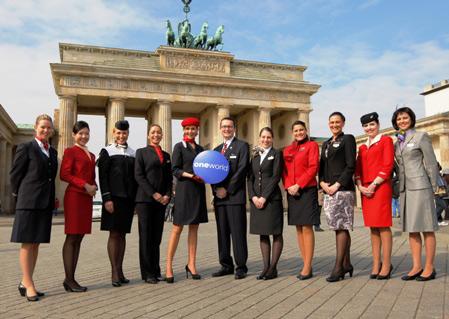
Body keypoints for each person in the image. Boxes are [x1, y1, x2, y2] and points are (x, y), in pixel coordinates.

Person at [10, 114, 58, 302]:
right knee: (27, 243)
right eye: (42, 127)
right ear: (35, 128)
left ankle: (26, 282)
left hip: (44, 203)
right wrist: (18, 196)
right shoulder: (26, 147)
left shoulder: (52, 152)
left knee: (36, 243)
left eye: (48, 128)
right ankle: (29, 284)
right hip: (28, 202)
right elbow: (15, 175)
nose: (46, 130)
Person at [393, 106, 439, 281]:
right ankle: (416, 266)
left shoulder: (421, 136)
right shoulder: (398, 142)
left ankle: (429, 267)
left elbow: (431, 163)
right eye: (399, 119)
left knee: (426, 228)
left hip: (421, 187)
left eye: (405, 118)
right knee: (412, 229)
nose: (402, 121)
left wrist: (434, 187)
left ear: (411, 118)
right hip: (406, 188)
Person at [164, 117, 208, 283]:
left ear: (197, 130)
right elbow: (174, 169)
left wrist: (206, 177)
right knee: (177, 228)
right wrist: (192, 176)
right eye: (188, 129)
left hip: (197, 190)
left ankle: (191, 264)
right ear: (184, 130)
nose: (190, 131)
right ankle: (169, 266)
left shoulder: (201, 149)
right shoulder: (179, 147)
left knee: (194, 228)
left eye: (193, 129)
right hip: (184, 189)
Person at [355, 112, 394, 280]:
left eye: (372, 124)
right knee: (372, 227)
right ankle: (375, 263)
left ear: (378, 124)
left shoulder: (385, 141)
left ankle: (386, 264)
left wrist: (372, 184)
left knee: (383, 226)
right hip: (366, 190)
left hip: (380, 187)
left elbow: (388, 164)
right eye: (366, 126)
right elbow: (358, 170)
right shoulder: (362, 147)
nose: (369, 128)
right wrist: (360, 186)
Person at [98, 120, 137, 287]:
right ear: (114, 133)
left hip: (128, 200)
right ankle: (114, 271)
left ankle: (120, 271)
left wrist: (135, 201)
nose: (121, 136)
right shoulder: (107, 151)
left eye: (125, 133)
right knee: (114, 234)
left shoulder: (133, 152)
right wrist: (106, 198)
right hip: (113, 199)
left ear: (128, 133)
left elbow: (135, 179)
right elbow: (103, 177)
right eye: (119, 133)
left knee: (122, 235)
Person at [319, 111, 356, 282]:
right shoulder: (326, 144)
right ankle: (346, 263)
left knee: (341, 227)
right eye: (331, 122)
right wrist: (322, 184)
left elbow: (351, 165)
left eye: (337, 122)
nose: (334, 125)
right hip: (329, 190)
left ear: (343, 123)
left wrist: (337, 184)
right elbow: (322, 168)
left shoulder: (348, 139)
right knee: (338, 227)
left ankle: (338, 267)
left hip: (342, 189)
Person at [60, 120, 96, 292]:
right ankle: (69, 279)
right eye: (80, 133)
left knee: (79, 237)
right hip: (74, 197)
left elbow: (91, 176)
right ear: (74, 135)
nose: (84, 136)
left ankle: (71, 278)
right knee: (72, 237)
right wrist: (84, 185)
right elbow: (64, 174)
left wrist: (93, 186)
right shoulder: (70, 151)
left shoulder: (92, 155)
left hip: (86, 197)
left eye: (86, 133)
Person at [211, 117, 250, 280]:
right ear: (220, 129)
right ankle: (226, 264)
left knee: (238, 232)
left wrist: (227, 189)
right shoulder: (216, 149)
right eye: (224, 127)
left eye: (229, 126)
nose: (226, 129)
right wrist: (216, 190)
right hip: (220, 199)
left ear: (234, 128)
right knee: (222, 232)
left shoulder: (242, 146)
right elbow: (210, 172)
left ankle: (241, 266)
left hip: (234, 197)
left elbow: (241, 170)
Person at [134, 124, 172, 284]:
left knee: (156, 238)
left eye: (159, 132)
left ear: (162, 135)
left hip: (161, 201)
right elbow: (139, 176)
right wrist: (154, 193)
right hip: (145, 200)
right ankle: (147, 273)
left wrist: (167, 195)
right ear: (148, 135)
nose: (156, 135)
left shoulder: (166, 155)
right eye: (153, 132)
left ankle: (156, 271)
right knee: (146, 237)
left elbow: (169, 178)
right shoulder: (141, 152)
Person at [282, 120, 320, 280]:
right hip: (292, 192)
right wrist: (289, 186)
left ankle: (307, 266)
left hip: (307, 190)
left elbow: (313, 167)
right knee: (298, 227)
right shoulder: (287, 150)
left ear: (305, 130)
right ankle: (305, 262)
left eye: (301, 130)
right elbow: (284, 171)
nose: (299, 133)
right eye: (296, 130)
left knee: (307, 227)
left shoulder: (312, 146)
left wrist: (299, 185)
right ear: (293, 132)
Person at [248, 127, 284, 280]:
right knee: (262, 234)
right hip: (257, 200)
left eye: (268, 137)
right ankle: (265, 267)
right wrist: (253, 197)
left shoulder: (276, 154)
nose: (265, 140)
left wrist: (264, 197)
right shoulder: (255, 156)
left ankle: (273, 267)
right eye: (263, 137)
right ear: (259, 138)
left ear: (272, 139)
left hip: (271, 200)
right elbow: (250, 179)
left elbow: (276, 176)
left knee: (276, 233)